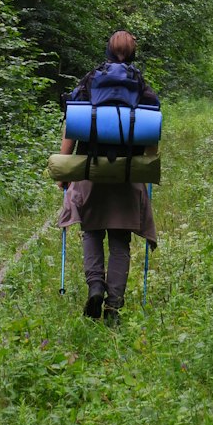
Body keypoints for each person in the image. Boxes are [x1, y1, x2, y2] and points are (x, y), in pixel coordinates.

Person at [58, 30, 159, 326]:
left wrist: (65, 168)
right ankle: (113, 306)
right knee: (120, 241)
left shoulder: (90, 80)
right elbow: (152, 133)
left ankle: (95, 287)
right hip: (127, 173)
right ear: (133, 53)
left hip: (91, 169)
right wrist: (144, 165)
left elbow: (71, 126)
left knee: (91, 231)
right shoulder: (142, 85)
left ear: (107, 50)